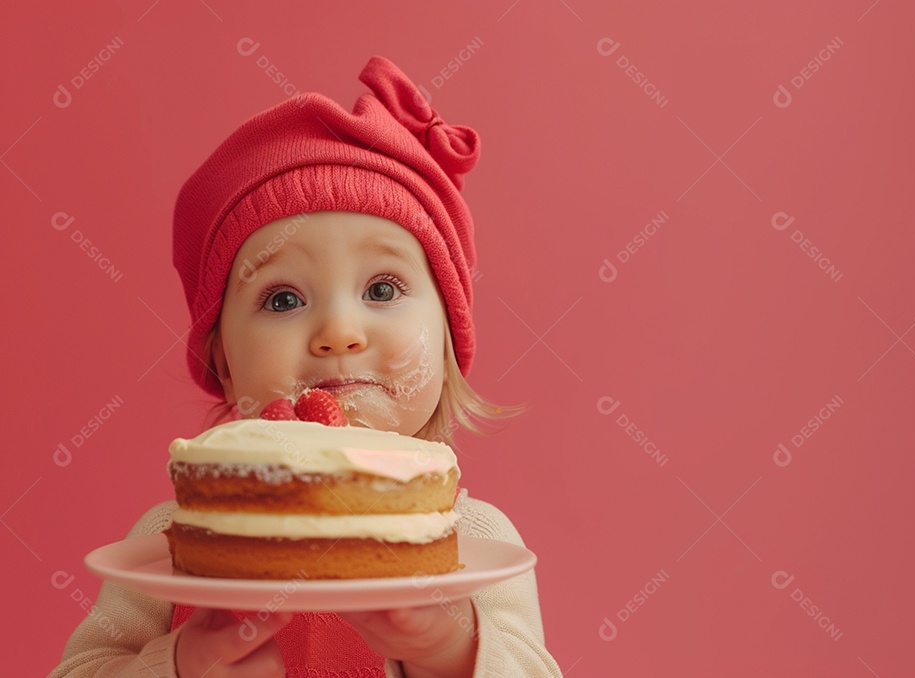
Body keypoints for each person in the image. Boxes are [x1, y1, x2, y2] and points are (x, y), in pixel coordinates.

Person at [49, 55, 562, 678]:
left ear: (450, 333)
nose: (339, 334)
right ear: (224, 362)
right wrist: (180, 663)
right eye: (283, 299)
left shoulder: (472, 538)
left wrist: (449, 649)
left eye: (381, 289)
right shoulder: (174, 538)